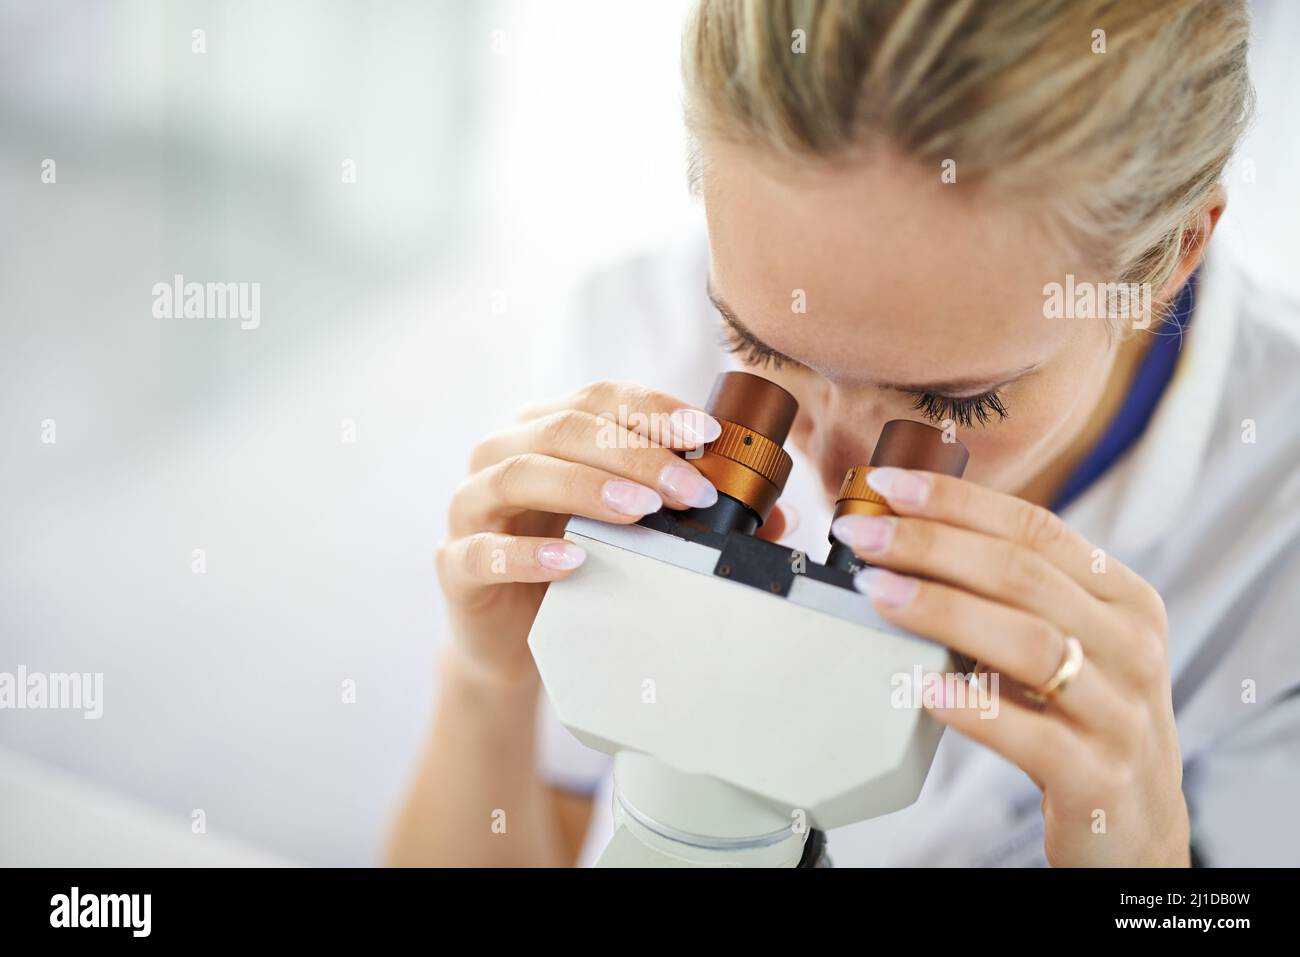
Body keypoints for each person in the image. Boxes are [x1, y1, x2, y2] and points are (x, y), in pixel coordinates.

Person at [388, 0, 1300, 867]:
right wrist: (491, 683)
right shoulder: (634, 327)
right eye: (756, 346)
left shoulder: (1277, 521)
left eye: (956, 405)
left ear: (1175, 251)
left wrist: (1145, 860)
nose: (827, 471)